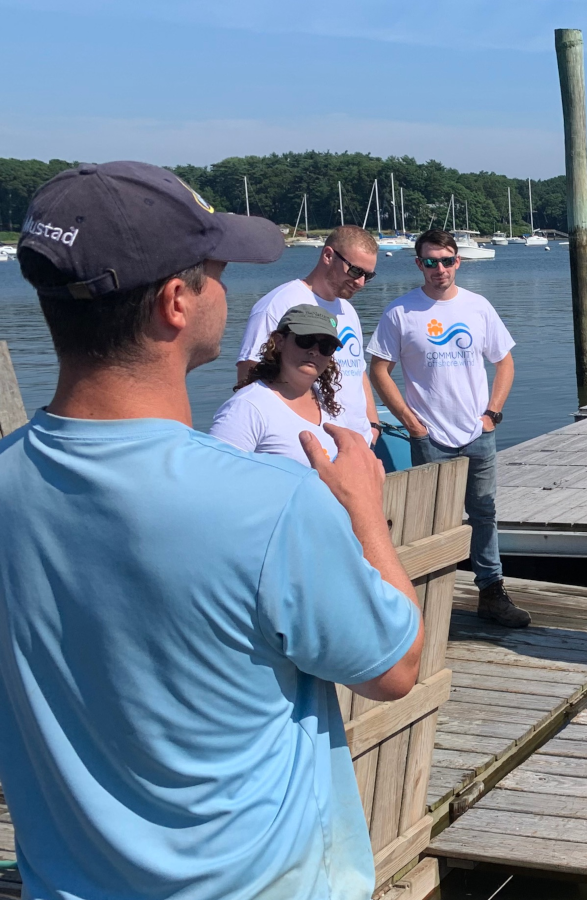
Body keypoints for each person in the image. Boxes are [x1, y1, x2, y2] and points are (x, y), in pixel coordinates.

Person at [1, 161, 422, 900]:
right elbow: (393, 668)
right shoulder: (264, 506)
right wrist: (364, 511)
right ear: (175, 302)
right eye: (218, 271)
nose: (228, 293)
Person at [369, 229, 525, 629]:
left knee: (484, 513)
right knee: (430, 519)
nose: (439, 268)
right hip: (429, 436)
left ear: (459, 261)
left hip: (478, 433)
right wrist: (411, 423)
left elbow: (504, 361)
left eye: (446, 260)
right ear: (418, 264)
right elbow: (378, 370)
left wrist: (492, 413)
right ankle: (425, 598)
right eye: (429, 261)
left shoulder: (478, 307)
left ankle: (491, 592)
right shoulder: (401, 312)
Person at [237, 225, 381, 444]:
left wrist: (372, 425)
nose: (360, 282)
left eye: (367, 276)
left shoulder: (348, 310)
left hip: (359, 443)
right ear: (328, 255)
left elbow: (357, 370)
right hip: (309, 444)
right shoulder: (278, 304)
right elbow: (250, 374)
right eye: (355, 271)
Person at [212, 304, 345, 466]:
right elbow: (215, 476)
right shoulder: (247, 407)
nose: (314, 351)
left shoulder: (329, 402)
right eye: (305, 340)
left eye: (326, 347)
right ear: (279, 341)